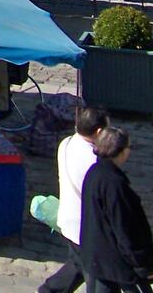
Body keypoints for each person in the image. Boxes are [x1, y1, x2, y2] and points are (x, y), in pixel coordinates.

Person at [80, 127, 153, 293]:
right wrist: (143, 266)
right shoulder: (115, 185)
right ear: (121, 152)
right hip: (117, 265)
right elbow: (125, 230)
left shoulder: (93, 173)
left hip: (97, 257)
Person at [41, 106, 110, 293]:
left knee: (77, 264)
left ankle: (49, 290)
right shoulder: (94, 161)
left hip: (68, 218)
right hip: (85, 226)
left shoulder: (67, 143)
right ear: (98, 131)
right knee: (98, 274)